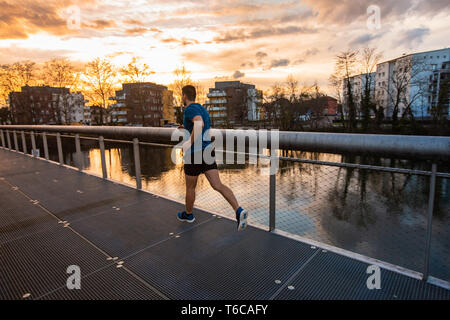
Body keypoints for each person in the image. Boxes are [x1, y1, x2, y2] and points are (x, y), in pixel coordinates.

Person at [177, 85, 248, 231]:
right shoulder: (202, 109)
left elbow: (199, 123)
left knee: (190, 187)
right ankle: (238, 210)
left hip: (195, 154)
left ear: (184, 96)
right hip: (207, 151)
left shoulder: (190, 109)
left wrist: (187, 143)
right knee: (218, 185)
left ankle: (188, 215)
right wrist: (186, 128)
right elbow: (200, 126)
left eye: (182, 96)